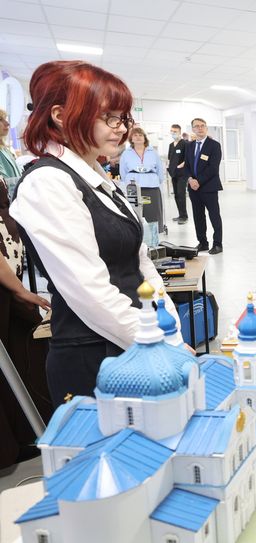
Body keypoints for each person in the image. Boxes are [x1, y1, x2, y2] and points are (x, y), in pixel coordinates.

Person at [10, 60, 177, 405]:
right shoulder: (47, 183)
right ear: (60, 115)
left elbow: (141, 263)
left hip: (138, 344)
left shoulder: (97, 177)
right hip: (96, 357)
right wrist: (160, 345)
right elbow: (91, 293)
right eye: (108, 118)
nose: (121, 128)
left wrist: (168, 325)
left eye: (123, 118)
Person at [0, 176, 53, 467]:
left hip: (11, 284)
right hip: (7, 287)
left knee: (23, 353)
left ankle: (23, 434)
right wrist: (20, 290)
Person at [184, 117, 223, 255]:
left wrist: (198, 181)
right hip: (193, 188)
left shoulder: (214, 145)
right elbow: (186, 166)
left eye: (202, 126)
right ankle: (203, 242)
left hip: (209, 187)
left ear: (206, 128)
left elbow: (213, 168)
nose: (200, 128)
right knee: (198, 216)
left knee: (214, 216)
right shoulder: (189, 146)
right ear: (193, 129)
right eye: (197, 126)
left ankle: (217, 244)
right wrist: (190, 179)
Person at [120, 126, 166, 233]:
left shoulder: (153, 152)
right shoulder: (126, 153)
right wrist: (127, 183)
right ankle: (137, 234)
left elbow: (160, 170)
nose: (138, 137)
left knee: (153, 212)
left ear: (145, 138)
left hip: (151, 186)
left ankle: (153, 235)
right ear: (131, 139)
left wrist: (156, 181)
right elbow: (123, 171)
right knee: (135, 212)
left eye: (140, 135)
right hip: (133, 187)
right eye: (135, 135)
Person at [167, 123, 188, 224]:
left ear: (179, 132)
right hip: (173, 173)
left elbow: (188, 158)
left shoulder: (185, 144)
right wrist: (169, 167)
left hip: (182, 174)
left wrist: (181, 165)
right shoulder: (171, 145)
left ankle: (184, 216)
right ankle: (180, 215)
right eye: (172, 131)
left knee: (181, 194)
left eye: (175, 131)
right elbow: (170, 158)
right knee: (176, 195)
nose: (173, 133)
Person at [0, 109, 22, 197]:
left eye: (5, 119)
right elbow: (4, 184)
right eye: (0, 120)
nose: (7, 123)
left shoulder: (5, 149)